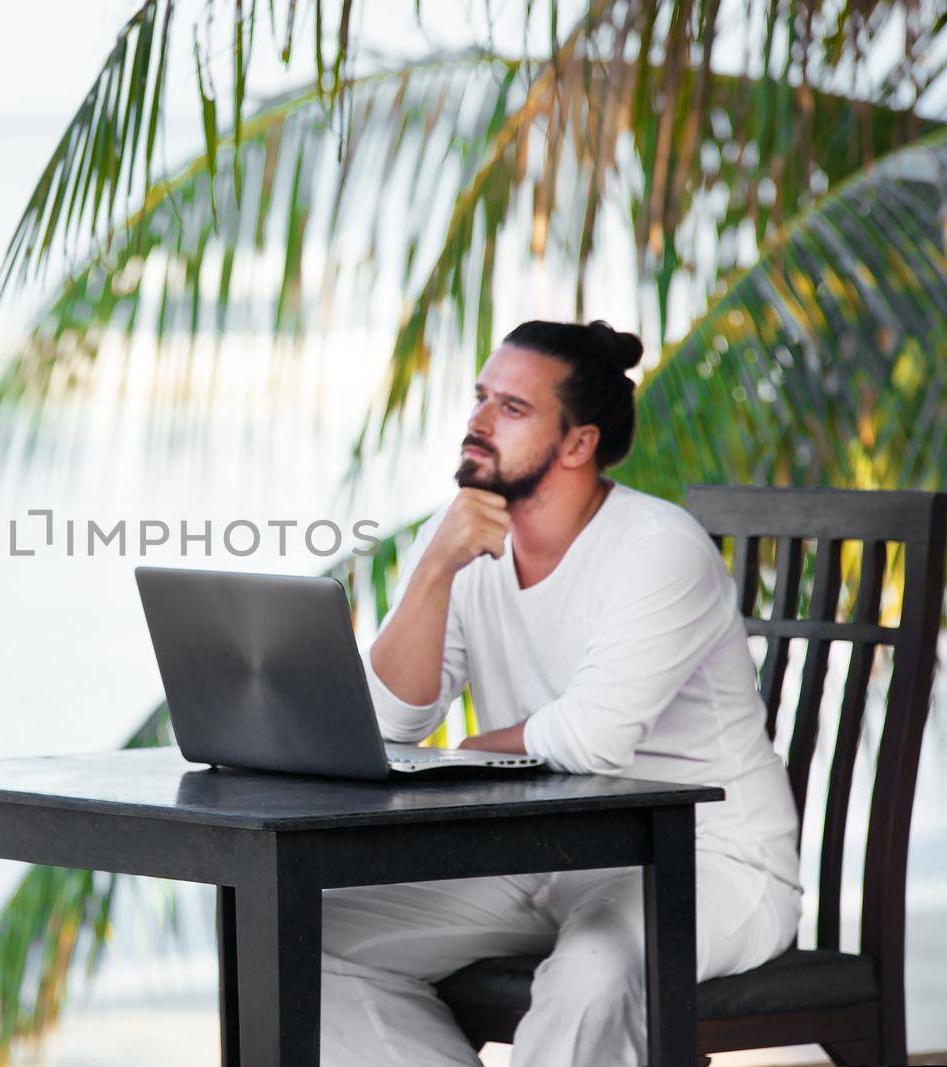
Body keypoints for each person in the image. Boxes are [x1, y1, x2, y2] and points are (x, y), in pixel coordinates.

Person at [322, 320, 802, 1066]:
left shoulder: (658, 546)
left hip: (705, 862)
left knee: (594, 971)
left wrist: (477, 750)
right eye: (481, 399)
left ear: (578, 442)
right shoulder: (462, 535)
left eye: (511, 409)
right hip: (543, 854)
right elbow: (389, 720)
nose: (477, 423)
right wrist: (435, 569)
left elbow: (592, 737)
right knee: (307, 933)